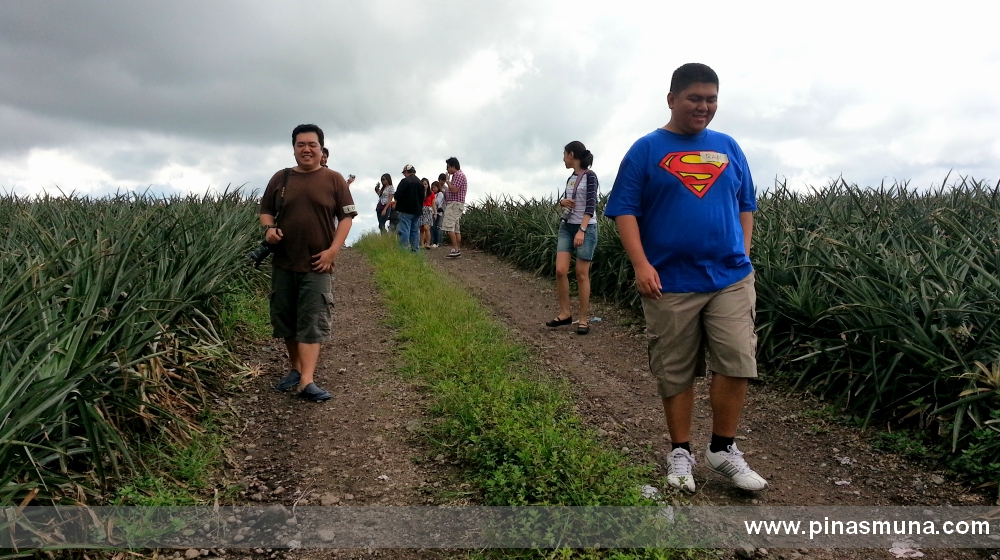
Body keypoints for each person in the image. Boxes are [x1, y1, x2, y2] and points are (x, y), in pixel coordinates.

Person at [604, 63, 765, 493]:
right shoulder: (646, 149)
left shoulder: (729, 146)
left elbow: (745, 202)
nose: (704, 106)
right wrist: (641, 264)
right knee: (674, 371)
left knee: (737, 361)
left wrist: (743, 255)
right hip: (669, 280)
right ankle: (681, 452)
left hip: (730, 277)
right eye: (695, 98)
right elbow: (624, 210)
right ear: (672, 98)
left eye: (711, 99)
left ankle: (723, 449)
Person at [259, 124, 358, 402]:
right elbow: (266, 211)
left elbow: (347, 218)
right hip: (284, 263)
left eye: (311, 144)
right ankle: (295, 368)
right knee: (287, 321)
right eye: (301, 144)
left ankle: (307, 380)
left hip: (318, 264)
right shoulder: (281, 178)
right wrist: (268, 229)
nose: (306, 149)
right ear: (293, 148)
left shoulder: (334, 180)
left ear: (321, 149)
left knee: (312, 321)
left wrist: (332, 251)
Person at [545, 141, 599, 335]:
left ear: (572, 154)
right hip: (566, 227)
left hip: (586, 228)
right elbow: (571, 200)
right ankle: (565, 313)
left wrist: (582, 230)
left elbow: (591, 204)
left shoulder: (590, 177)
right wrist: (562, 202)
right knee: (560, 270)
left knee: (581, 274)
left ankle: (583, 319)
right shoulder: (571, 178)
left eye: (565, 154)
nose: (563, 158)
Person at [441, 157, 467, 258]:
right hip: (456, 204)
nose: (447, 169)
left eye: (448, 167)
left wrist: (447, 181)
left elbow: (454, 189)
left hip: (454, 204)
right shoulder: (458, 175)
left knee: (448, 226)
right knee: (456, 228)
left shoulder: (458, 175)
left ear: (452, 166)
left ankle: (455, 249)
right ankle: (457, 249)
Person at [394, 164, 423, 252]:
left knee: (404, 230)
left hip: (406, 210)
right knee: (415, 231)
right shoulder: (420, 183)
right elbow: (423, 197)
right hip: (417, 210)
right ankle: (415, 250)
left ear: (406, 172)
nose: (404, 174)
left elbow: (397, 195)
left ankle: (404, 250)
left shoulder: (405, 181)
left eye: (404, 173)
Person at [420, 178, 435, 249]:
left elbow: (433, 204)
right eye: (423, 184)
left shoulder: (431, 193)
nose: (424, 185)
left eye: (426, 184)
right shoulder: (419, 193)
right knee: (421, 228)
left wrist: (435, 213)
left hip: (428, 210)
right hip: (420, 210)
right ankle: (422, 244)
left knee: (426, 227)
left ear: (428, 185)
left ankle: (428, 243)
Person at [430, 181, 445, 248]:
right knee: (432, 228)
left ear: (438, 187)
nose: (433, 189)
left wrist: (432, 199)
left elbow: (437, 202)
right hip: (432, 212)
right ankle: (432, 241)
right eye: (432, 188)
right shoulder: (433, 194)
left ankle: (437, 242)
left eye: (435, 187)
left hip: (438, 213)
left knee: (436, 227)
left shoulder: (440, 194)